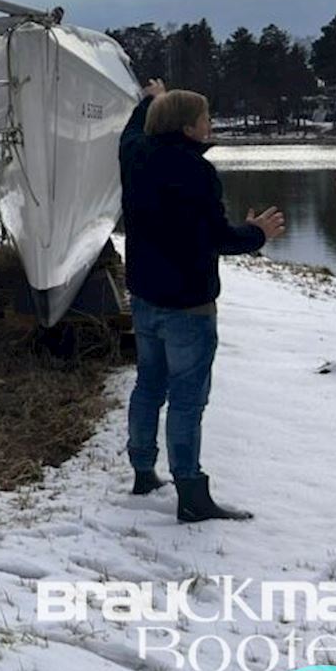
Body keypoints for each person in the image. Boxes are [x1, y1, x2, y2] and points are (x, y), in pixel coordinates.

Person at [119, 79, 285, 522]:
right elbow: (216, 238)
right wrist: (258, 234)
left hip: (144, 295)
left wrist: (149, 101)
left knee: (149, 385)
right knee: (188, 399)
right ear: (189, 127)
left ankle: (141, 471)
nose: (210, 126)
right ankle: (191, 494)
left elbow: (130, 132)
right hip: (188, 305)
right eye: (206, 119)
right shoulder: (195, 171)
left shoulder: (134, 157)